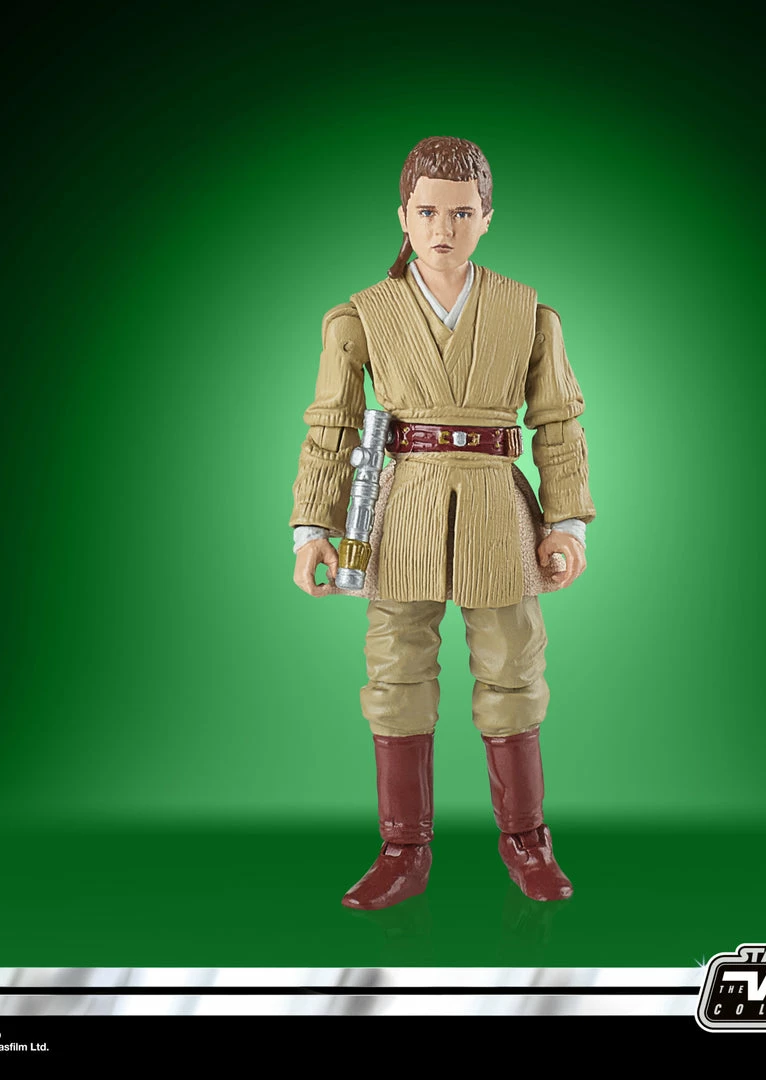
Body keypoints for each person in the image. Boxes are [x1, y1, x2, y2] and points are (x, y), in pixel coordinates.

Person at [290, 136, 595, 909]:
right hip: (402, 509)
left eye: (461, 213)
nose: (443, 228)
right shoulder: (363, 315)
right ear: (403, 215)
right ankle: (402, 849)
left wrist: (567, 521)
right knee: (396, 673)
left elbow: (558, 425)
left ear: (486, 218)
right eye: (427, 211)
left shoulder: (528, 313)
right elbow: (332, 426)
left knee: (514, 668)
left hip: (498, 505)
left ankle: (526, 841)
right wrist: (311, 528)